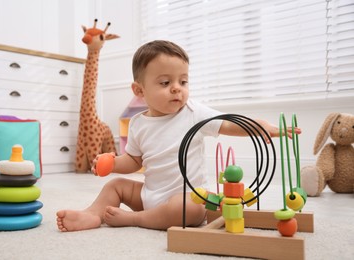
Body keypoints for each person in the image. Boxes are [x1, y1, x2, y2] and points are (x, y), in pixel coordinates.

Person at [56, 40, 301, 232]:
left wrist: (259, 126)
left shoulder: (194, 113)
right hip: (149, 195)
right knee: (116, 186)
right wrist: (112, 163)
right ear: (139, 91)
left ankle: (136, 220)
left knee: (193, 208)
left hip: (184, 199)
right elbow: (134, 161)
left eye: (183, 81)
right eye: (165, 82)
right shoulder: (138, 123)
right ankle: (92, 213)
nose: (177, 88)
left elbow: (226, 124)